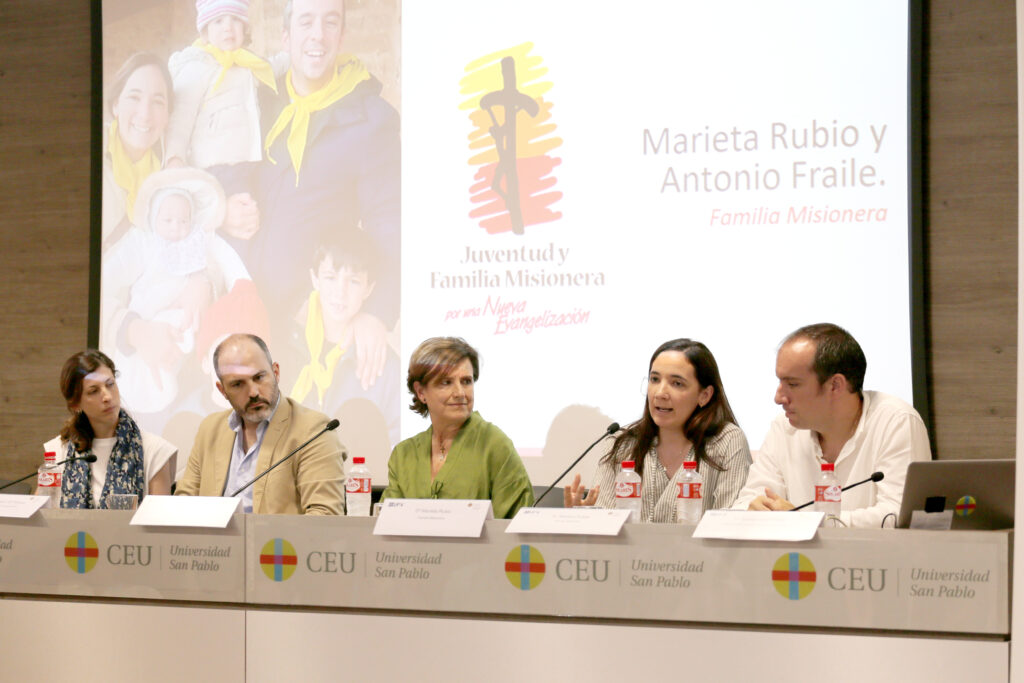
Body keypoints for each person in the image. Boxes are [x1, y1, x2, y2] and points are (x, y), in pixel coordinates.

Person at [215, 0, 401, 391]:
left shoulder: (370, 119)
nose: (318, 34)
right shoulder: (256, 98)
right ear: (286, 35)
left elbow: (389, 223)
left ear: (341, 35)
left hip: (305, 326)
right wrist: (224, 204)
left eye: (330, 22)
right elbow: (221, 159)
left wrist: (379, 312)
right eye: (306, 21)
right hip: (232, 311)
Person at [731, 323, 932, 527]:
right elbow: (747, 501)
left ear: (835, 385)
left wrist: (807, 522)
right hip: (796, 560)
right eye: (780, 382)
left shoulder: (896, 421)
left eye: (792, 384)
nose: (778, 397)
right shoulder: (783, 429)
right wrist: (752, 511)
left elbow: (899, 516)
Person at [101, 167, 252, 415]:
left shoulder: (197, 241)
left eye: (184, 221)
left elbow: (225, 266)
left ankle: (159, 384)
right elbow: (106, 278)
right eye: (168, 220)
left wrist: (204, 282)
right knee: (136, 369)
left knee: (174, 358)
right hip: (147, 314)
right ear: (153, 217)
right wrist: (136, 329)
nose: (176, 228)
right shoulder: (143, 242)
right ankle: (138, 386)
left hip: (183, 327)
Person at [565, 339, 752, 521]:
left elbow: (730, 528)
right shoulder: (622, 444)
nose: (660, 393)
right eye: (655, 379)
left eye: (677, 383)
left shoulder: (727, 442)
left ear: (704, 395)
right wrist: (585, 522)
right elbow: (605, 527)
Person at [175, 333, 345, 514]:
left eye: (259, 377)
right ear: (222, 390)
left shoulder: (314, 430)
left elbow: (325, 517)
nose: (253, 392)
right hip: (214, 542)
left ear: (276, 373)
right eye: (238, 384)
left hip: (279, 542)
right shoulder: (210, 429)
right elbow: (183, 505)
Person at [381, 337, 534, 518]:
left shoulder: (495, 445)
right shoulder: (403, 455)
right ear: (421, 392)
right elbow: (386, 525)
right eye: (446, 382)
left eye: (466, 381)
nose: (460, 393)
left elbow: (517, 530)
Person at [286, 228, 401, 446]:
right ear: (315, 279)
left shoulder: (385, 367)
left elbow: (397, 446)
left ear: (369, 289)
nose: (340, 292)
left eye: (354, 282)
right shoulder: (286, 348)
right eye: (330, 277)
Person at [43, 350, 177, 508]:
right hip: (72, 534)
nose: (107, 396)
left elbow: (159, 526)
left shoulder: (155, 451)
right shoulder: (57, 453)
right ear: (75, 404)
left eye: (110, 384)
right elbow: (41, 513)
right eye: (94, 391)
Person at [165, 0, 278, 169]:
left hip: (248, 163)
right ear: (205, 33)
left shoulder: (249, 64)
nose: (228, 27)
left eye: (235, 19)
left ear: (244, 28)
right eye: (218, 21)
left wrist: (295, 58)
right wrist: (174, 159)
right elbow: (180, 120)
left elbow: (273, 67)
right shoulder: (197, 66)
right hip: (211, 165)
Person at [102, 53, 174, 251]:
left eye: (158, 101)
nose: (145, 114)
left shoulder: (169, 182)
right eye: (134, 97)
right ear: (116, 105)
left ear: (168, 116)